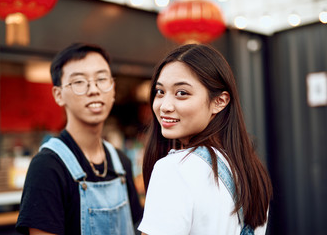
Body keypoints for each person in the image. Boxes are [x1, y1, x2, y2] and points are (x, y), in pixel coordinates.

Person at [138, 44, 272, 235]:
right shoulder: (249, 171)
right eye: (160, 92)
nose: (164, 106)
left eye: (181, 93)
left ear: (219, 101)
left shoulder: (175, 168)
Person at [16, 43, 143, 235]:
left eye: (101, 79)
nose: (93, 89)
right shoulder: (47, 166)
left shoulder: (121, 162)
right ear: (58, 95)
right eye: (79, 82)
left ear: (113, 89)